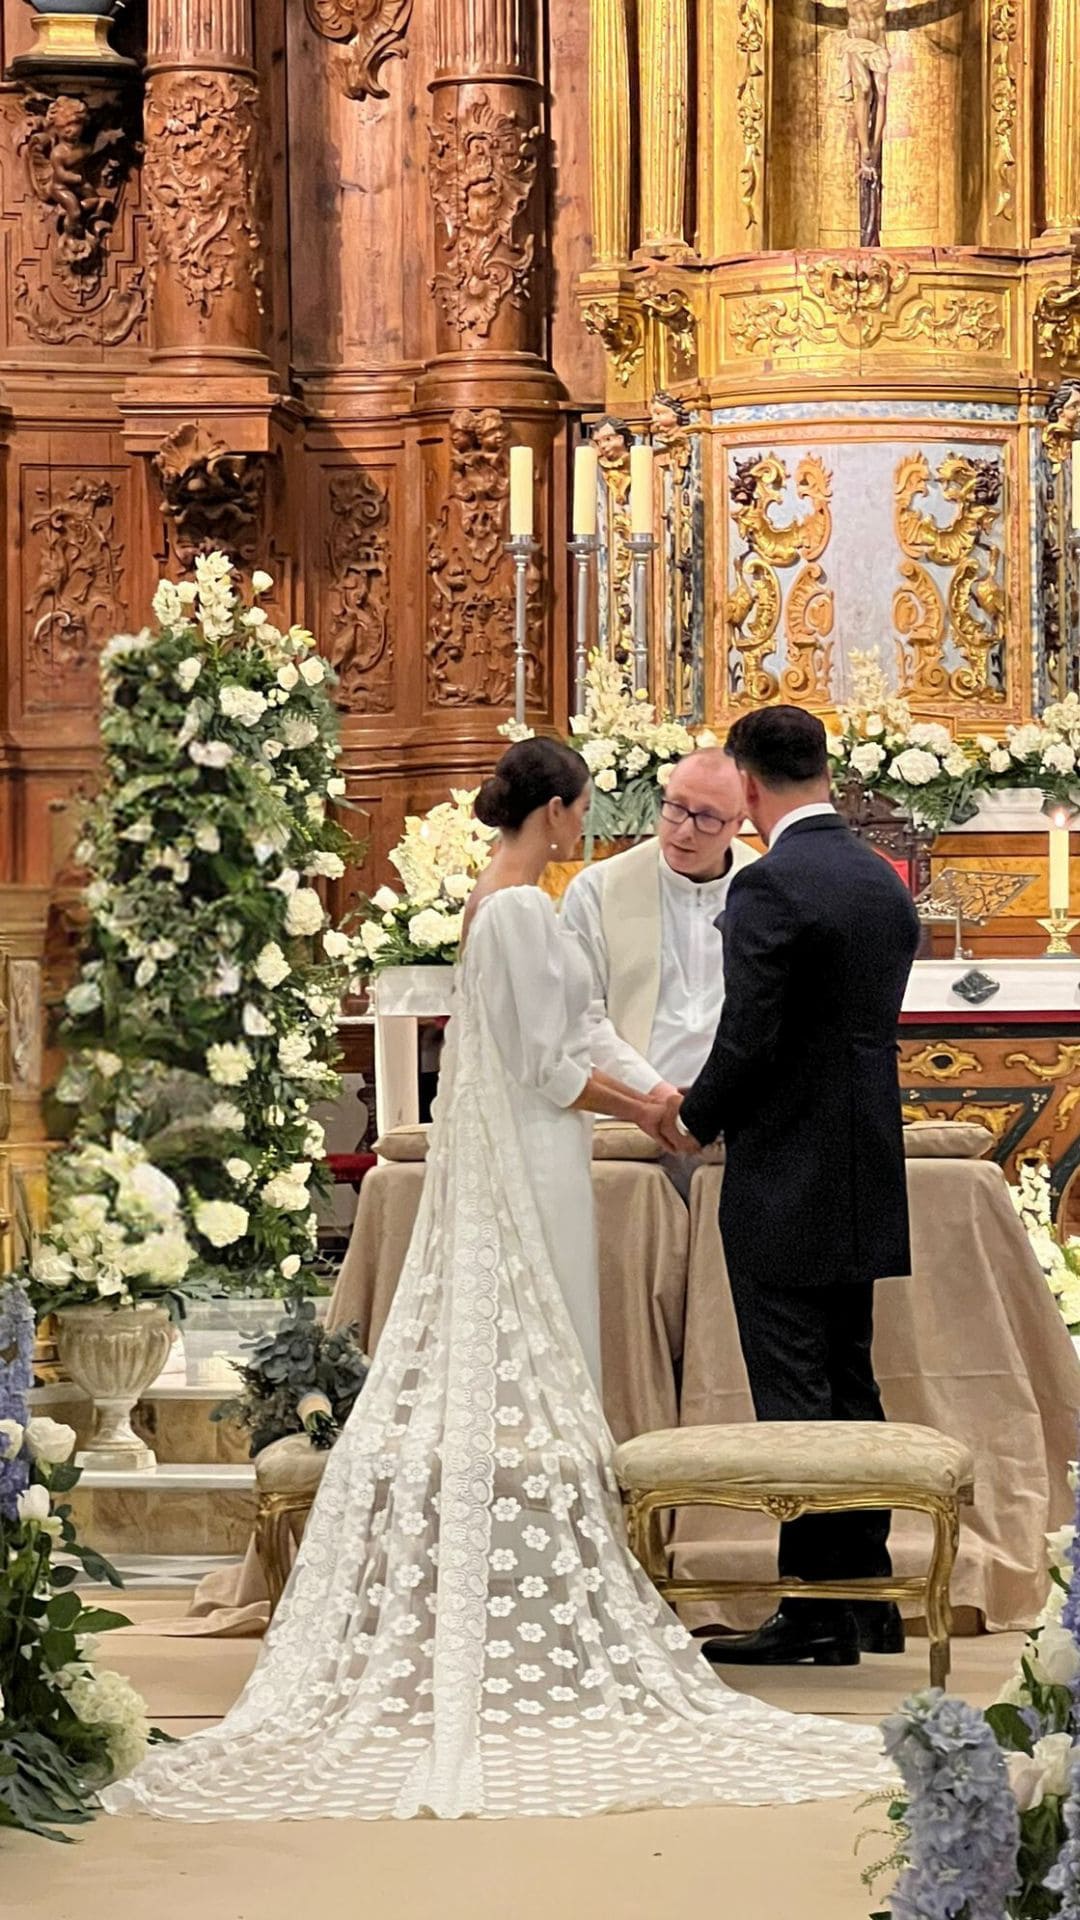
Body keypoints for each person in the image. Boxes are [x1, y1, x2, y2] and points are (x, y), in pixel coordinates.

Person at [105, 737, 889, 1822]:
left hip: (551, 1149)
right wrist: (655, 1113)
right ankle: (512, 1595)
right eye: (586, 807)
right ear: (558, 810)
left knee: (545, 1349)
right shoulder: (520, 910)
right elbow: (547, 1065)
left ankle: (528, 1590)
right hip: (531, 1152)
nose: (599, 821)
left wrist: (667, 1091)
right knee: (527, 1348)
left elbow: (587, 1028)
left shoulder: (532, 903)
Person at [656, 708, 921, 1669]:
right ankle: (868, 1598)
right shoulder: (882, 884)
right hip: (863, 1163)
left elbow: (751, 1034)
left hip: (785, 1172)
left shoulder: (772, 886)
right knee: (851, 1377)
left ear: (751, 789)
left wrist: (693, 1117)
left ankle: (813, 1615)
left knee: (796, 1395)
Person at [560, 747, 759, 1111]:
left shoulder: (765, 890)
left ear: (740, 820)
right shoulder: (597, 889)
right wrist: (657, 1094)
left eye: (708, 818)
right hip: (629, 1112)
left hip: (742, 1116)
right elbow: (579, 1017)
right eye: (676, 808)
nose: (685, 830)